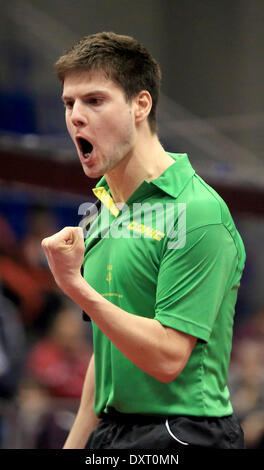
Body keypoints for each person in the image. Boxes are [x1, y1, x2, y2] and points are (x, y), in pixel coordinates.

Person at [41, 32, 246, 449]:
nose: (76, 116)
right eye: (69, 104)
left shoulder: (198, 213)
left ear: (141, 104)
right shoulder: (105, 212)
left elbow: (168, 358)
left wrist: (76, 287)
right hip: (114, 431)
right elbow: (109, 350)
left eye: (94, 100)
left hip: (185, 433)